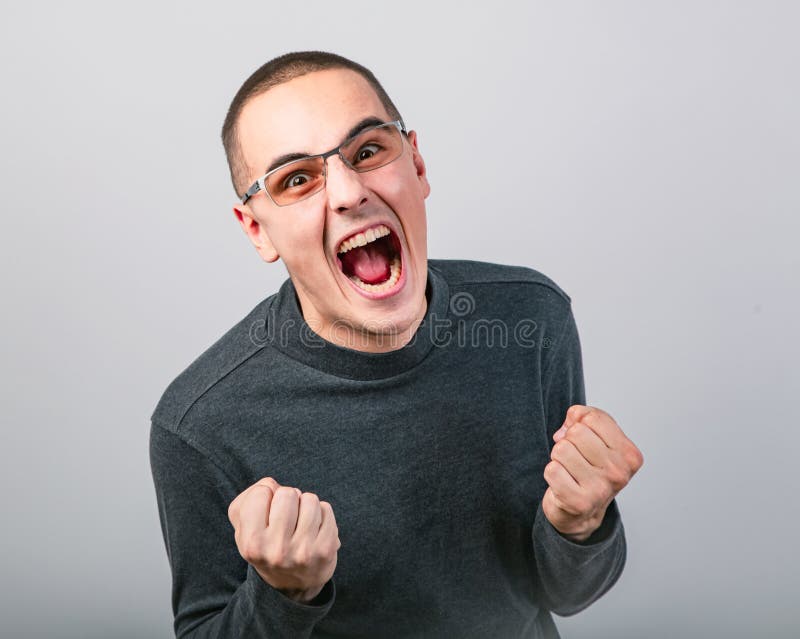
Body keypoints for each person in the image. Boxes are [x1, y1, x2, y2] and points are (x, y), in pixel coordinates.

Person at [149, 51, 644, 639]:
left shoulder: (532, 318)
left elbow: (568, 595)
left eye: (367, 151)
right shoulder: (198, 423)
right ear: (258, 230)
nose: (347, 193)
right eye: (297, 179)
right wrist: (284, 595)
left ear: (418, 162)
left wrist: (581, 523)